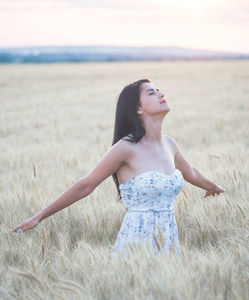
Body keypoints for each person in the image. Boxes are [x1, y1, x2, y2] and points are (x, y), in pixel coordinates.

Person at [12, 79, 225, 255]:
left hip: (168, 238)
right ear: (138, 109)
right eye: (152, 92)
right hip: (136, 242)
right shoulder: (125, 148)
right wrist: (38, 217)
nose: (161, 94)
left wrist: (214, 187)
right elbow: (85, 186)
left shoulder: (169, 144)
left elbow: (191, 173)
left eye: (159, 90)